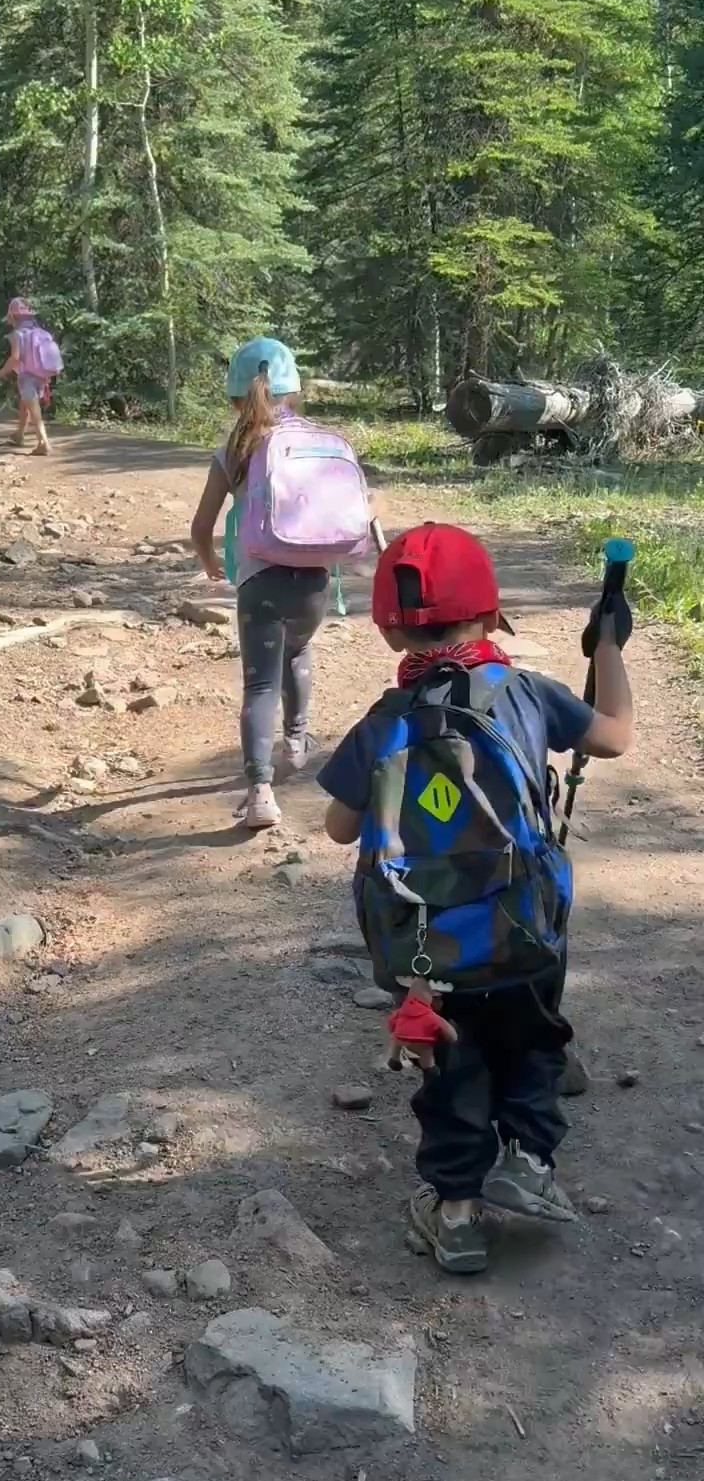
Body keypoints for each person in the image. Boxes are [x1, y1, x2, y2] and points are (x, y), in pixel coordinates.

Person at [318, 521, 633, 1274]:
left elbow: (337, 828)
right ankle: (528, 1160)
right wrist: (609, 647)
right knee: (529, 1043)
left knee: (451, 1073)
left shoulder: (386, 720)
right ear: (492, 616)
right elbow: (615, 737)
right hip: (523, 929)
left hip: (424, 945)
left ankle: (456, 1217)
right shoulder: (526, 695)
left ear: (392, 634)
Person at [190, 337, 369, 830]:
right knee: (297, 652)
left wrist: (211, 563)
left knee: (260, 682)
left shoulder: (236, 448)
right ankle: (296, 742)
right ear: (295, 391)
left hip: (259, 583)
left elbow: (201, 526)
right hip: (314, 578)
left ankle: (261, 792)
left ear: (234, 398)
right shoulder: (318, 440)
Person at [0, 297, 60, 456]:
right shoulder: (39, 331)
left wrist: (1, 372)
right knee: (25, 405)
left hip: (27, 377)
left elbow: (15, 358)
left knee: (34, 409)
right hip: (42, 376)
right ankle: (19, 435)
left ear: (14, 316)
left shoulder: (17, 334)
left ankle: (43, 441)